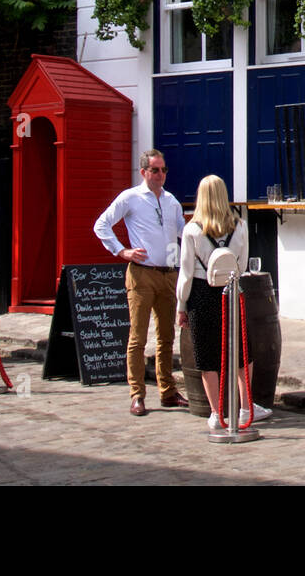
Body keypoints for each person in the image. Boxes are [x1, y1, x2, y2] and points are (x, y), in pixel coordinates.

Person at [93, 148, 189, 417]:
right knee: (138, 337)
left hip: (169, 273)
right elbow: (102, 224)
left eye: (164, 169)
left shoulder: (171, 201)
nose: (161, 175)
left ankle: (168, 391)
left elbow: (183, 232)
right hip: (142, 273)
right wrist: (122, 250)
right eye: (155, 170)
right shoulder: (130, 198)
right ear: (144, 172)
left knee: (167, 337)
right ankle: (137, 393)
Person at [176, 174, 272, 430]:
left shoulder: (191, 230)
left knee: (207, 354)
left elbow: (185, 274)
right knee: (242, 350)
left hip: (201, 293)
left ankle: (217, 414)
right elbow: (241, 265)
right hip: (230, 290)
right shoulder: (239, 226)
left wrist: (181, 307)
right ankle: (244, 407)